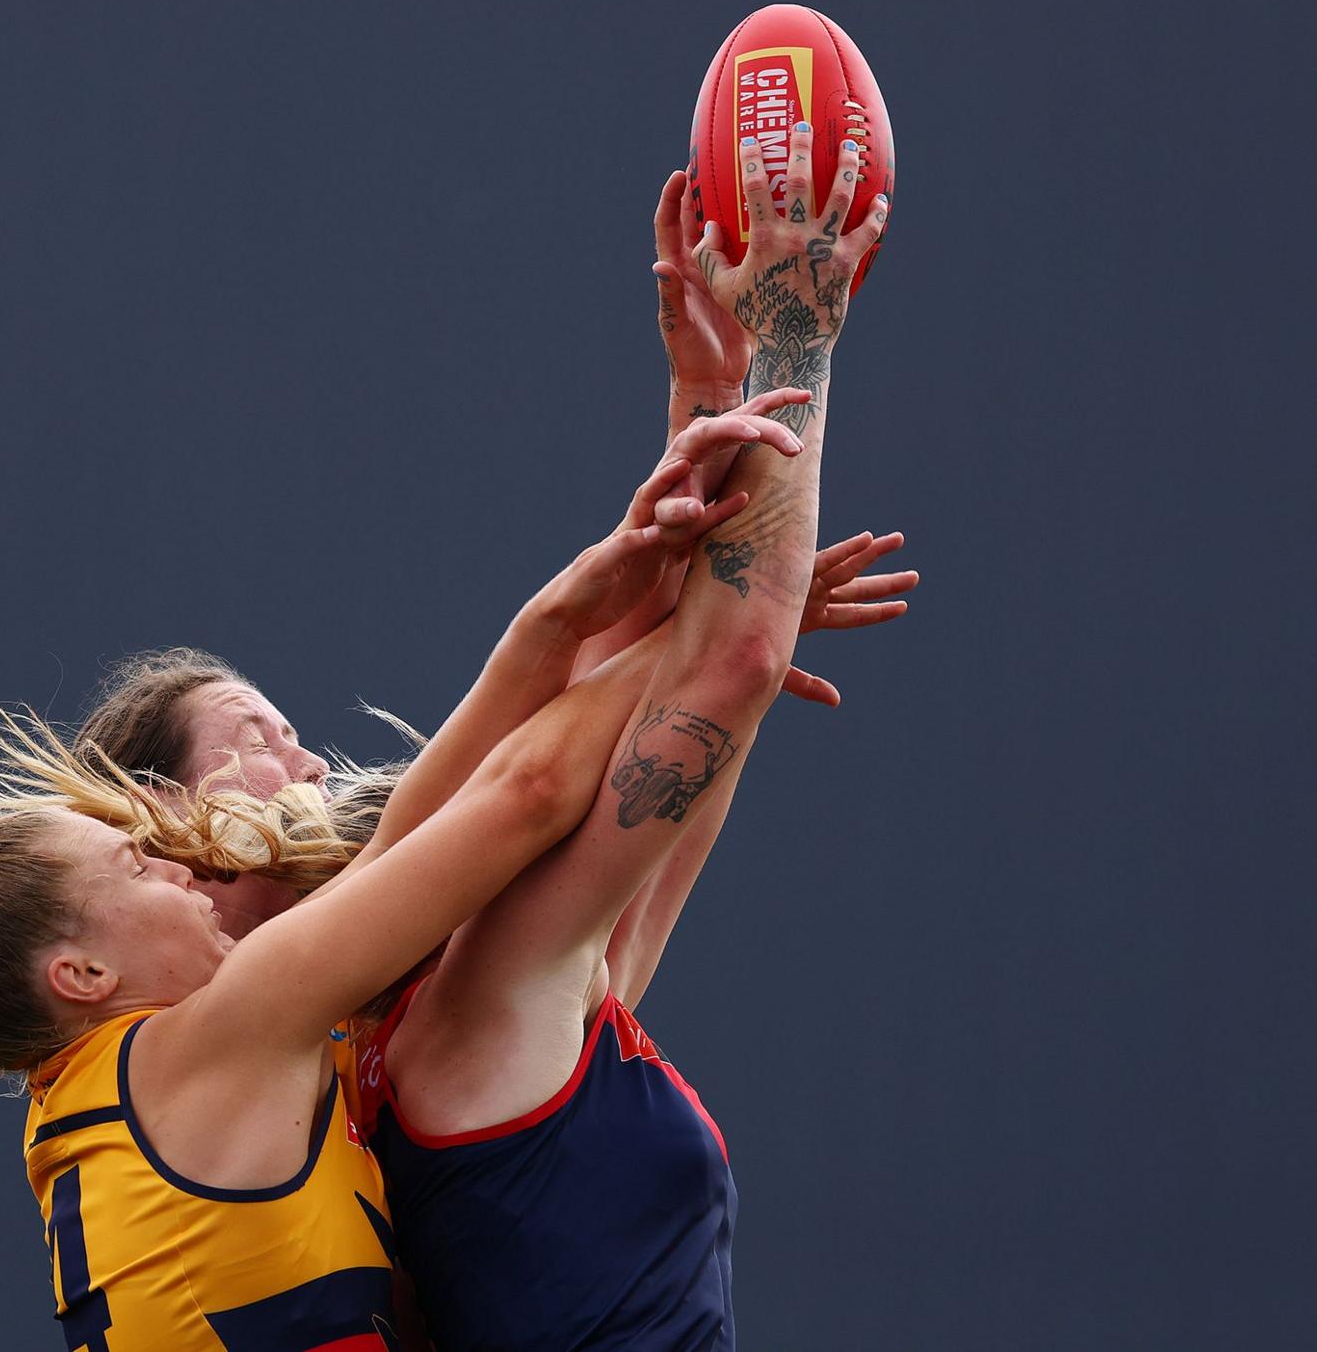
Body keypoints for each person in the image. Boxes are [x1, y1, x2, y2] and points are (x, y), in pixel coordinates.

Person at [75, 127, 894, 1349]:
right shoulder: (439, 1024)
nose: (303, 767)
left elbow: (666, 738)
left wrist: (710, 420)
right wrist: (792, 328)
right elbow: (574, 751)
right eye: (258, 741)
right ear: (180, 847)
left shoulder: (391, 1042)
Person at [0, 404, 804, 1351]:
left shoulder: (97, 1111)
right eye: (140, 863)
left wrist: (611, 616)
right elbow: (520, 794)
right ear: (80, 974)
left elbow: (412, 844)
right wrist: (701, 632)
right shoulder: (217, 1041)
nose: (175, 874)